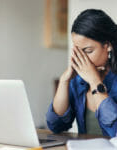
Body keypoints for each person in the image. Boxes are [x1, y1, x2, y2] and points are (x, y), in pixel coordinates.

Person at [46, 9, 117, 137]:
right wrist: (64, 81)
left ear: (108, 45)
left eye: (88, 51)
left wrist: (95, 82)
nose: (82, 59)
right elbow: (55, 126)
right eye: (78, 52)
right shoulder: (78, 81)